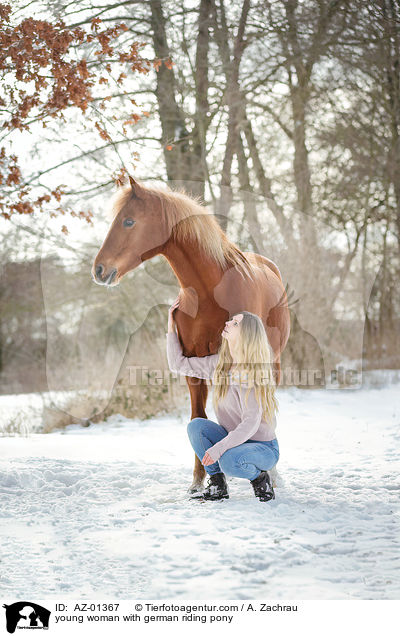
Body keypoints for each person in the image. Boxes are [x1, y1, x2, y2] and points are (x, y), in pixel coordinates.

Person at [166, 296, 279, 502]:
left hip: (262, 447)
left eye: (235, 323)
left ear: (246, 335)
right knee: (196, 427)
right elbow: (178, 364)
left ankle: (260, 478)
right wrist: (171, 326)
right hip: (234, 441)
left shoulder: (254, 373)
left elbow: (250, 424)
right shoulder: (220, 364)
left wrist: (219, 448)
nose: (227, 323)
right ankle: (217, 484)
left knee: (228, 460)